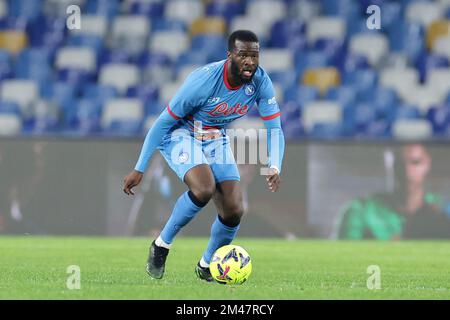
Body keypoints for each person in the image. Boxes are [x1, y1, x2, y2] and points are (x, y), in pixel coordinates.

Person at [122, 30, 285, 281]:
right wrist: (139, 168)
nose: (250, 62)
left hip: (213, 136)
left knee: (233, 209)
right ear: (229, 55)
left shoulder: (261, 82)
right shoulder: (203, 81)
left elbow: (275, 129)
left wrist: (275, 165)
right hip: (180, 134)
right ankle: (161, 245)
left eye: (255, 55)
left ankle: (207, 264)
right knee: (204, 188)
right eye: (243, 55)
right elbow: (162, 123)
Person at [336, 143, 450, 240]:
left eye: (415, 162)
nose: (407, 171)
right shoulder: (360, 210)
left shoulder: (442, 210)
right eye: (400, 163)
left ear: (427, 164)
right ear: (390, 165)